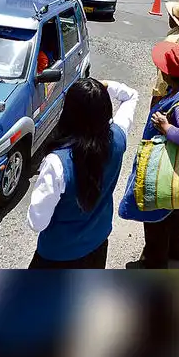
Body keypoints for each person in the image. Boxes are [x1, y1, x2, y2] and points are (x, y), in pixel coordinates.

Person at [26, 78, 139, 268]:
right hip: (98, 243)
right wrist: (105, 86)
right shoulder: (118, 137)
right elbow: (131, 96)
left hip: (58, 255)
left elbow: (37, 222)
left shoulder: (57, 162)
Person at [121, 42, 179, 268]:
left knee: (156, 222)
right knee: (173, 215)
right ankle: (175, 251)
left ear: (167, 73)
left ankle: (155, 264)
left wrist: (165, 127)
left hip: (167, 169)